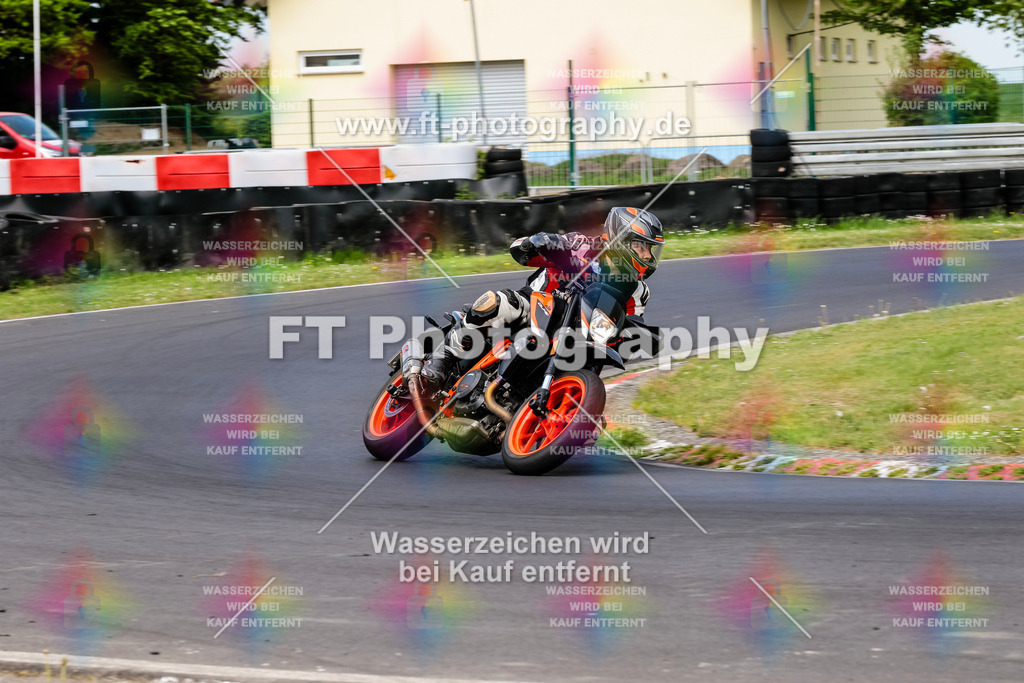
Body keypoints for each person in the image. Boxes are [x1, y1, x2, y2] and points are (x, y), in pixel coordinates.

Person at [407, 206, 664, 391]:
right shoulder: (582, 245)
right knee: (497, 302)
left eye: (651, 249)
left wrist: (639, 337)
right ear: (620, 239)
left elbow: (629, 324)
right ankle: (443, 358)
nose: (647, 256)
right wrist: (539, 243)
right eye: (641, 246)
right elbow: (522, 250)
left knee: (595, 367)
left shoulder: (638, 291)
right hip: (535, 305)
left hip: (579, 335)